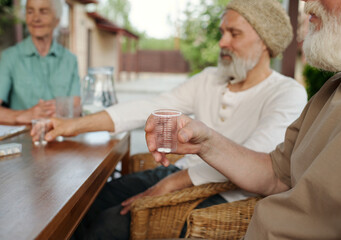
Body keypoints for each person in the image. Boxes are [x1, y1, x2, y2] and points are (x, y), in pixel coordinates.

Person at [38, 0, 307, 239]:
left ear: (264, 41)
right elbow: (151, 107)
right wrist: (71, 125)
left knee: (108, 226)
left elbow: (259, 161)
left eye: (234, 33)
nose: (222, 42)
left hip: (223, 196)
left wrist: (170, 184)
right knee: (89, 202)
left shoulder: (287, 93)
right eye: (223, 32)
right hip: (178, 174)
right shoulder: (210, 78)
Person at [145, 0, 341, 238]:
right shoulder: (333, 88)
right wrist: (205, 143)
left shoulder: (287, 91)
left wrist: (175, 181)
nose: (307, 3)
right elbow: (276, 175)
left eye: (234, 33)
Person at [0, 0, 81, 125]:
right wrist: (22, 115)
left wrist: (62, 110)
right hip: (22, 139)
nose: (36, 18)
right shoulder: (9, 57)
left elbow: (77, 107)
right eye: (30, 12)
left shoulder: (70, 60)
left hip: (61, 137)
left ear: (57, 20)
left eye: (43, 12)